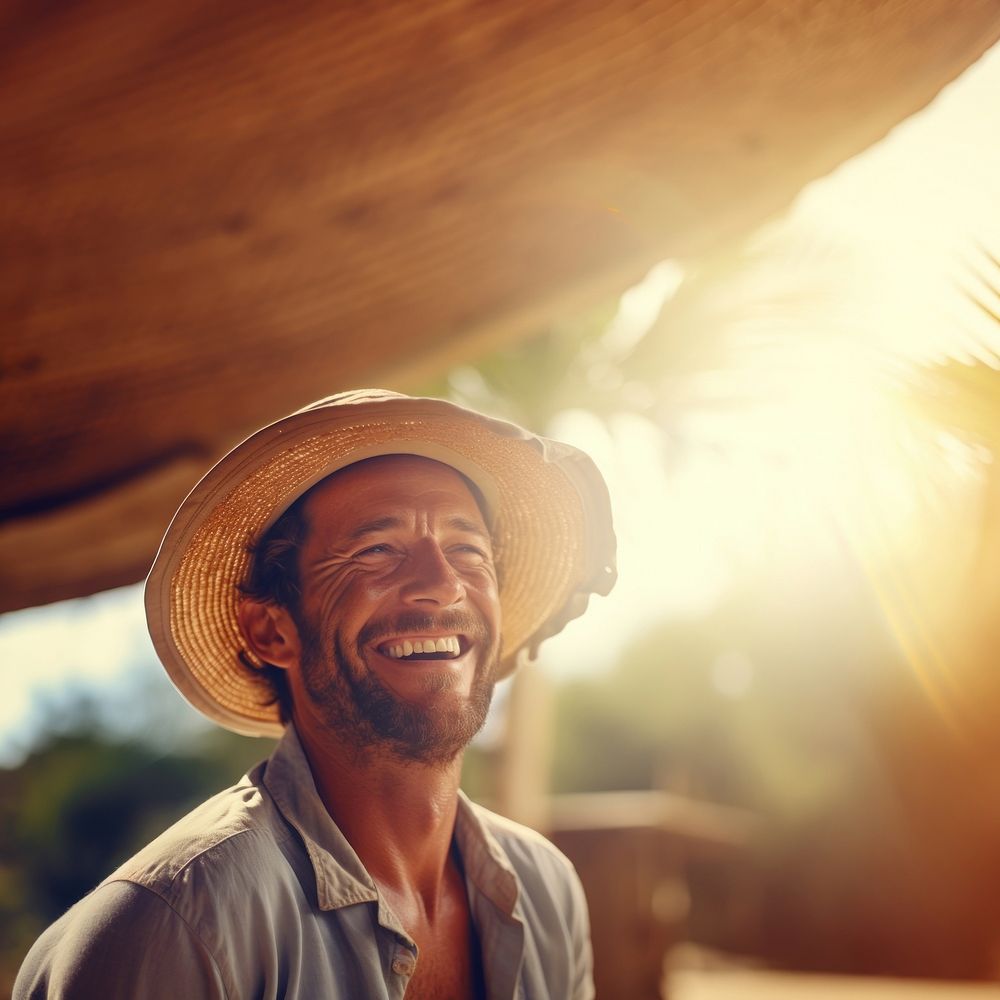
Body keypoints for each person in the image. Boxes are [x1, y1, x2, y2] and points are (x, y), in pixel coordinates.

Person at [15, 389, 616, 999]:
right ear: (271, 630)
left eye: (467, 550)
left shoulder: (546, 891)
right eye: (376, 551)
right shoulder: (175, 926)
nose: (441, 585)